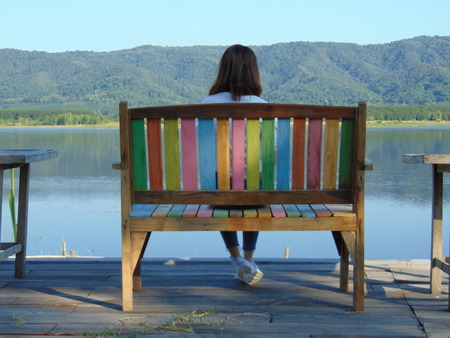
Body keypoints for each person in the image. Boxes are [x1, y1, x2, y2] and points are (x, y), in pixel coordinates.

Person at [201, 44, 266, 285]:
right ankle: (248, 259)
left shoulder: (206, 104)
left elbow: (201, 148)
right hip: (255, 194)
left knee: (222, 185)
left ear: (223, 70)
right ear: (253, 72)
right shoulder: (264, 105)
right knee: (255, 185)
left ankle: (237, 259)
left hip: (220, 193)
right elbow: (274, 152)